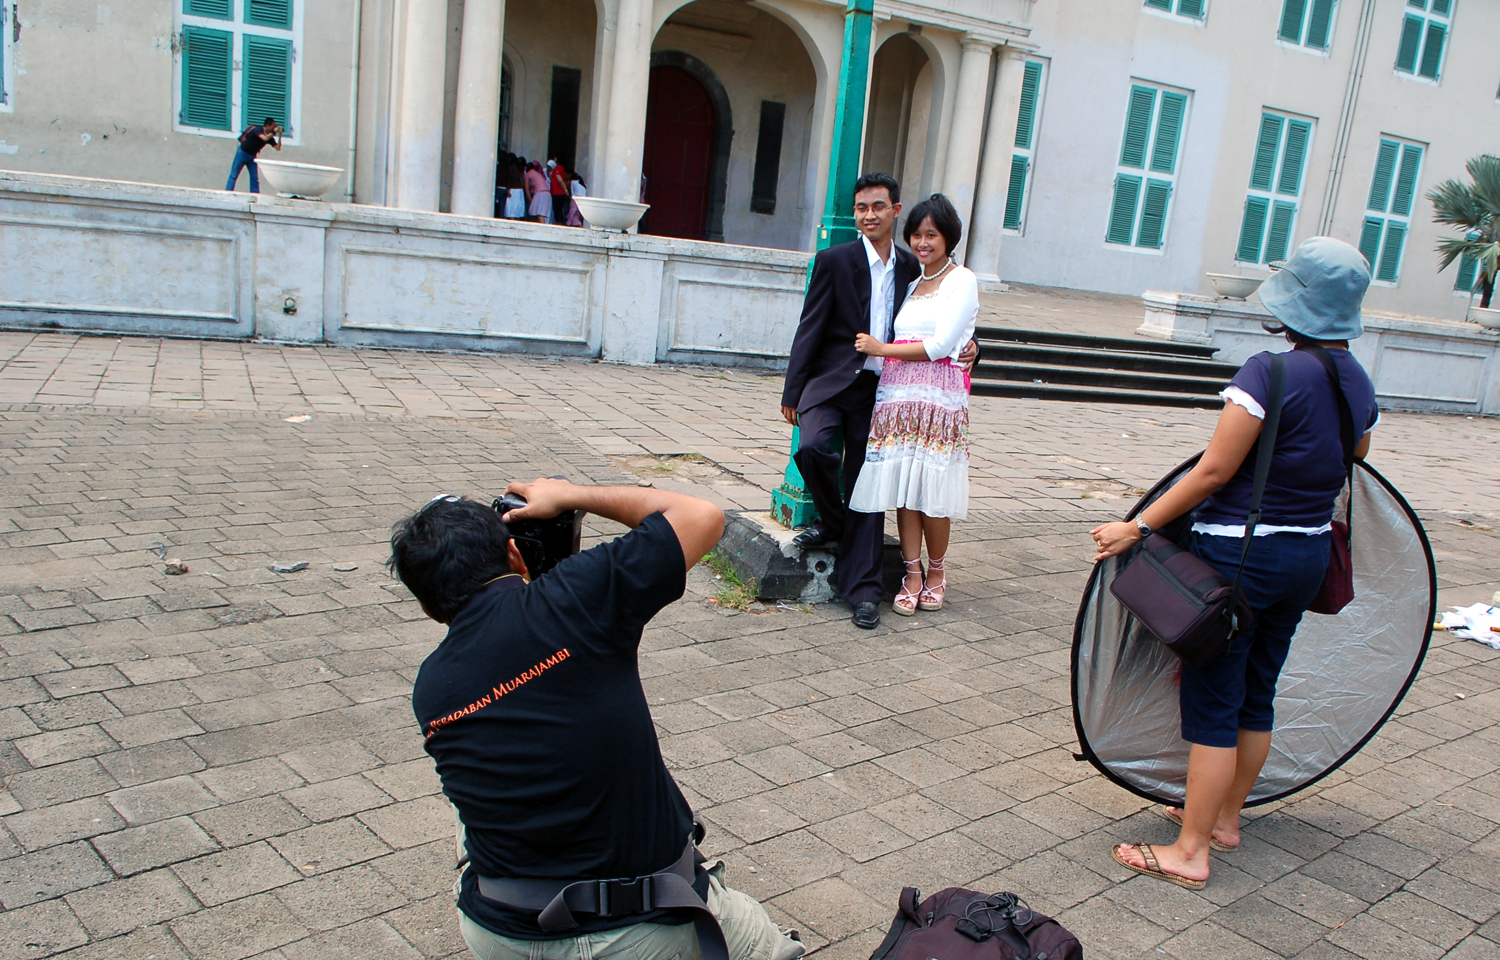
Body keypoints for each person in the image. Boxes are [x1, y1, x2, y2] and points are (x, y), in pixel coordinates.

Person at [389, 479, 805, 960]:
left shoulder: (431, 686)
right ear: (516, 555)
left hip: (500, 929)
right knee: (769, 949)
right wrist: (569, 494)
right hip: (636, 929)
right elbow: (701, 516)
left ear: (426, 605)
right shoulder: (576, 596)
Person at [1089, 237, 1379, 890]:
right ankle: (1223, 818)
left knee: (1215, 702)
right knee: (1258, 690)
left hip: (1241, 560)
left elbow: (1214, 470)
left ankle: (1191, 850)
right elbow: (1354, 452)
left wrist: (1135, 525)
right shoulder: (1355, 379)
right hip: (1307, 556)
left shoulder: (1268, 373)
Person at [780, 173, 978, 630]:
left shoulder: (914, 267)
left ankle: (865, 592)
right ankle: (835, 524)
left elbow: (946, 321)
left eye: (878, 207)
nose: (869, 215)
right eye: (861, 208)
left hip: (885, 391)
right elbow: (809, 326)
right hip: (831, 383)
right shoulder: (834, 260)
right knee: (813, 449)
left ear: (894, 210)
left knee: (867, 485)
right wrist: (794, 390)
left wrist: (974, 348)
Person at [849, 194, 978, 616]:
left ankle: (937, 572)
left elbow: (943, 345)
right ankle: (912, 574)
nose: (923, 243)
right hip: (899, 397)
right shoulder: (910, 283)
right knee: (905, 487)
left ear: (948, 238)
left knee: (932, 489)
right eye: (918, 235)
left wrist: (882, 348)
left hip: (937, 397)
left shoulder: (961, 280)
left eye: (932, 235)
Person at [225, 117, 281, 193]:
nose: (273, 128)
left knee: (254, 177)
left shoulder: (270, 137)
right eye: (272, 126)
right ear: (267, 125)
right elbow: (264, 138)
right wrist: (274, 132)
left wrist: (280, 135)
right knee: (234, 174)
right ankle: (228, 192)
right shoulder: (258, 130)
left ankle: (255, 194)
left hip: (252, 156)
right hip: (242, 152)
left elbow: (278, 148)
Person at [550, 157, 572, 226]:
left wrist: (565, 190)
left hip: (557, 193)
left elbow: (559, 180)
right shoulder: (562, 168)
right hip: (560, 193)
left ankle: (559, 224)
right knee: (560, 210)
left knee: (557, 210)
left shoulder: (558, 168)